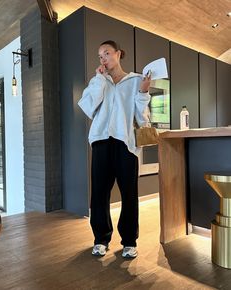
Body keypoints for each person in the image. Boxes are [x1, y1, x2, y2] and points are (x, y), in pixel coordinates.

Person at [78, 40, 151, 258]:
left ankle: (129, 241)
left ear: (118, 54)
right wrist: (100, 79)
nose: (103, 59)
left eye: (107, 54)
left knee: (129, 194)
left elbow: (141, 117)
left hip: (125, 143)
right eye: (100, 56)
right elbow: (88, 108)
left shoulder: (136, 80)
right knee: (99, 194)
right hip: (101, 141)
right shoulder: (98, 80)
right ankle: (101, 238)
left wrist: (143, 93)